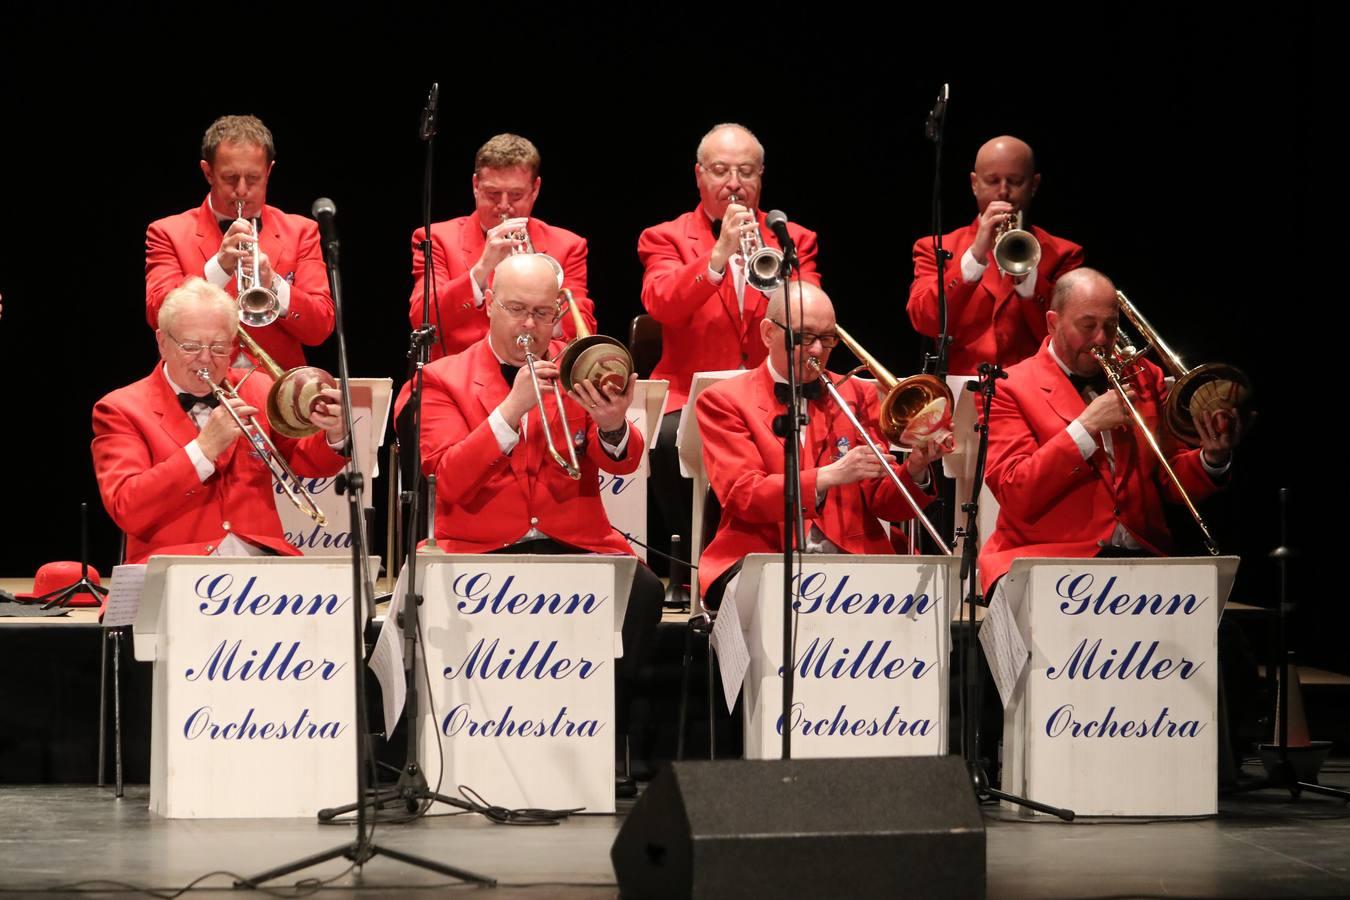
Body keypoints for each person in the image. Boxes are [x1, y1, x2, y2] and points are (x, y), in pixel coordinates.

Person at [412, 254, 662, 788]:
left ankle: (607, 740)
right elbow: (449, 478)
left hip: (572, 538)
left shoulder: (580, 369)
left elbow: (622, 460)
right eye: (517, 309)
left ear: (558, 316)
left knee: (642, 589)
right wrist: (511, 408)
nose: (530, 325)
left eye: (543, 313)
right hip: (481, 545)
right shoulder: (440, 378)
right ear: (488, 306)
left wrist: (614, 425)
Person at [978, 268, 1239, 591]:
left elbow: (1170, 479)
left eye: (1111, 326)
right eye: (1087, 326)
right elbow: (1015, 491)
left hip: (1140, 558)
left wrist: (1211, 458)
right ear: (1053, 323)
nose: (1101, 339)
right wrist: (1085, 428)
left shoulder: (1145, 377)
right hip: (1045, 559)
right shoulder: (1008, 387)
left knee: (1226, 635)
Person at [638, 123, 820, 574]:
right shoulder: (666, 236)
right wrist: (717, 257)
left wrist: (783, 286)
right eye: (721, 170)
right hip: (689, 394)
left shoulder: (791, 237)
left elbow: (811, 309)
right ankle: (697, 562)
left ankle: (774, 554)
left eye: (745, 171)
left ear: (761, 178)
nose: (734, 183)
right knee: (662, 444)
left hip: (769, 393)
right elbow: (661, 304)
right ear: (699, 176)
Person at [696, 282, 944, 607]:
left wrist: (915, 467)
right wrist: (828, 476)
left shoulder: (857, 395)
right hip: (763, 553)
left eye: (827, 339)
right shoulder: (723, 401)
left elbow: (886, 504)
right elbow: (744, 496)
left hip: (852, 556)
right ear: (768, 333)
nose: (817, 351)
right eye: (804, 338)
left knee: (929, 598)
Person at [94, 279, 347, 564]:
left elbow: (307, 461)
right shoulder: (121, 408)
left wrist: (333, 434)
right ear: (163, 343)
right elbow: (128, 507)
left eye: (218, 347)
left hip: (262, 567)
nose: (205, 360)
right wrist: (203, 449)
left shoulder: (258, 389)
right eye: (191, 347)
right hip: (173, 567)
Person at [145, 115, 334, 371]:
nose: (242, 190)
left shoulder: (301, 231)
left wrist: (275, 286)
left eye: (254, 178)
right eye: (231, 178)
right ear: (208, 172)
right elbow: (158, 316)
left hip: (276, 393)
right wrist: (218, 269)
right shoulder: (167, 232)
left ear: (269, 171)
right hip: (200, 386)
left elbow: (320, 328)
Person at [409, 133, 596, 361]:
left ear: (535, 189)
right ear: (476, 186)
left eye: (516, 195)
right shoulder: (436, 238)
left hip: (540, 375)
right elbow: (421, 318)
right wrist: (481, 270)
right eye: (493, 194)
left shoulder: (568, 246)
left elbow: (581, 330)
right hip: (462, 381)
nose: (504, 206)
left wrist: (545, 302)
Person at [908, 135, 1084, 375]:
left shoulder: (1064, 254)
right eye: (992, 181)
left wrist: (1027, 278)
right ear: (974, 184)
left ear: (1034, 185)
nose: (1003, 192)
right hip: (960, 391)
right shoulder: (934, 247)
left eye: (1015, 181)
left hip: (1033, 392)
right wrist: (975, 256)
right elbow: (924, 320)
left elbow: (1067, 338)